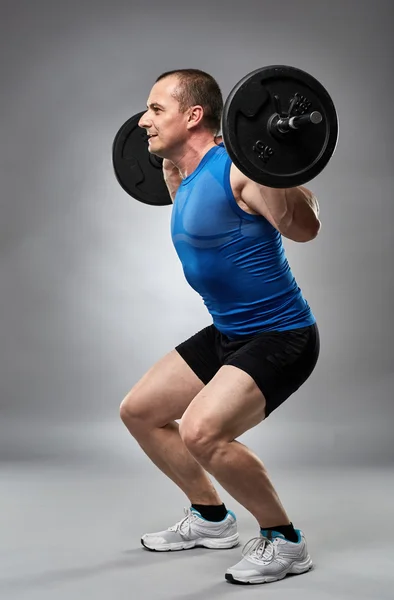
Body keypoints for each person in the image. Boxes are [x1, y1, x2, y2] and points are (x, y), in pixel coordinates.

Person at [120, 69, 321, 585]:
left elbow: (305, 228)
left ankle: (285, 540)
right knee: (140, 412)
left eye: (156, 109)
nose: (143, 120)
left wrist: (275, 168)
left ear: (193, 116)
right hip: (228, 330)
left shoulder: (242, 167)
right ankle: (211, 518)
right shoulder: (180, 175)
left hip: (282, 335)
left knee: (201, 431)